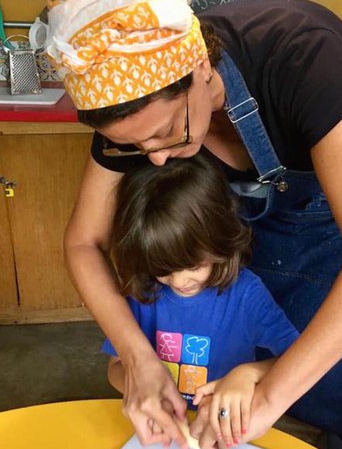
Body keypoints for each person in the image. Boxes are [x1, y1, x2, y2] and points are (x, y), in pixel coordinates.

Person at [48, 0, 342, 447]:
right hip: (261, 191)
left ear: (201, 67)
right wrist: (137, 358)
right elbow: (83, 242)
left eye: (167, 132)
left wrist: (270, 398)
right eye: (134, 146)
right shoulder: (132, 96)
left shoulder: (300, 53)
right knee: (238, 336)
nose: (157, 158)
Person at [101, 154, 299, 445]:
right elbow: (115, 369)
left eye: (193, 266)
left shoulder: (246, 294)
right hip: (164, 429)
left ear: (221, 239)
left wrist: (250, 374)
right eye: (163, 270)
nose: (180, 282)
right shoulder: (142, 294)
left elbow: (297, 357)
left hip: (228, 430)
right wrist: (143, 387)